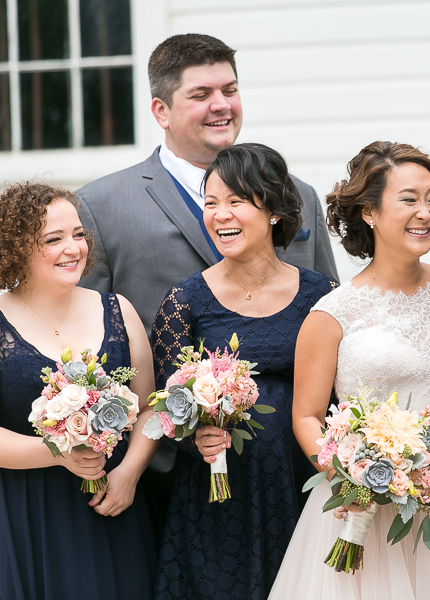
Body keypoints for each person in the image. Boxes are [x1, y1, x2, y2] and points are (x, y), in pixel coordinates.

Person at [74, 33, 338, 539]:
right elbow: (92, 338)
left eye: (230, 90)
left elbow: (335, 326)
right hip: (163, 477)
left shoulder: (297, 194)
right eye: (201, 94)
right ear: (161, 110)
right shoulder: (102, 206)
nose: (222, 105)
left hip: (294, 474)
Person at [269, 141, 430, 599]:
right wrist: (349, 480)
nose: (425, 212)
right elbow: (307, 416)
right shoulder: (332, 312)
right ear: (369, 212)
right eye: (409, 199)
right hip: (360, 506)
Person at [150, 143, 338, 600]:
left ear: (273, 209)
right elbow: (165, 406)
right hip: (218, 498)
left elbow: (343, 397)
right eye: (210, 203)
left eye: (235, 201)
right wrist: (194, 438)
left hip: (302, 483)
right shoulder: (184, 302)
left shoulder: (323, 296)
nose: (220, 215)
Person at [0, 182, 158, 599]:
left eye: (79, 235)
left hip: (113, 500)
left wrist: (129, 473)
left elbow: (149, 408)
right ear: (17, 249)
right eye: (54, 239)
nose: (73, 249)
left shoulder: (117, 310)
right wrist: (60, 453)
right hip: (29, 509)